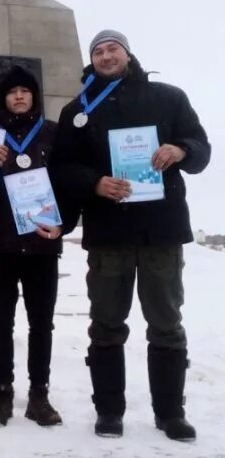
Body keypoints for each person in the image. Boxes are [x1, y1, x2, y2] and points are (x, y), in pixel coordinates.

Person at [50, 30, 210, 441]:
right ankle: (109, 411)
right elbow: (63, 167)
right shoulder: (76, 111)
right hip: (108, 232)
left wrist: (181, 151)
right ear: (92, 60)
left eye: (113, 49)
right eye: (98, 51)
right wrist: (95, 183)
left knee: (167, 322)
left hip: (161, 230)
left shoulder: (168, 96)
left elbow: (201, 148)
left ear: (127, 53)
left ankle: (171, 412)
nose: (106, 56)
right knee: (105, 323)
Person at [0, 65, 69, 428]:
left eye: (25, 91)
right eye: (11, 91)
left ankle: (39, 396)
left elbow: (67, 186)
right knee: (1, 322)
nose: (18, 96)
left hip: (42, 246)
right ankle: (2, 394)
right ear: (2, 98)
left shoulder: (53, 134)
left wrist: (63, 225)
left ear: (34, 96)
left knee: (41, 323)